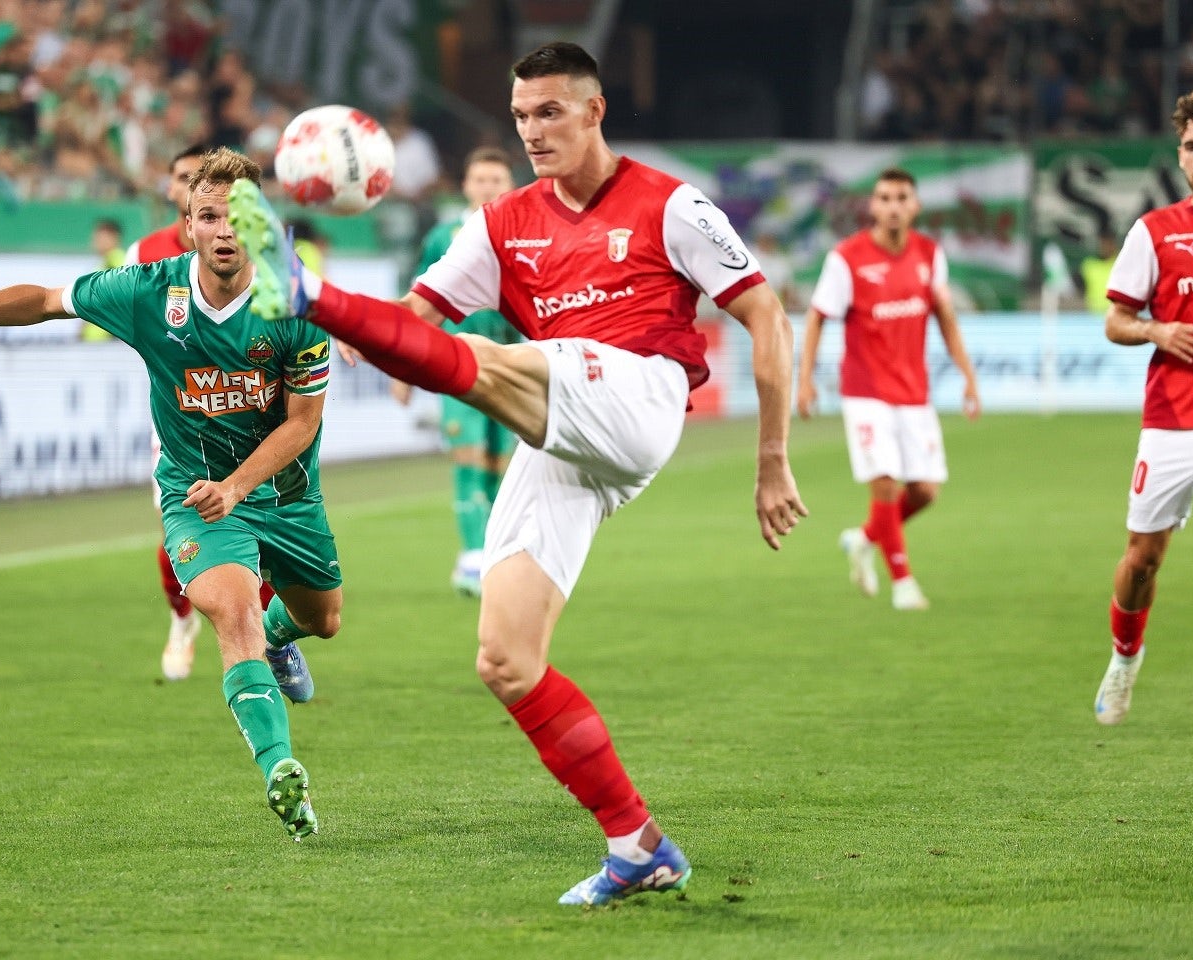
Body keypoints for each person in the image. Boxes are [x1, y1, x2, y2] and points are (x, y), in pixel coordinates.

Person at [228, 40, 807, 905]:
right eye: (521, 117)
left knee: (501, 358)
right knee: (505, 657)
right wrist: (339, 334)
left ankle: (309, 288)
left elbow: (765, 315)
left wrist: (771, 459)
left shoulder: (670, 204)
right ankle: (636, 843)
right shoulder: (503, 223)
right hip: (560, 432)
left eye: (549, 113)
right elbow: (417, 319)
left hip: (639, 397)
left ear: (594, 110)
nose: (533, 132)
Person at [0, 147, 343, 841]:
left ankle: (284, 640)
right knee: (234, 611)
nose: (223, 231)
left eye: (236, 217)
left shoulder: (296, 304)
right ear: (187, 226)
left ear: (261, 225)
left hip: (285, 495)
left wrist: (242, 484)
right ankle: (281, 772)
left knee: (323, 618)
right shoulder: (149, 291)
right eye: (207, 216)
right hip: (195, 495)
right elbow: (46, 300)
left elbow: (303, 423)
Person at [797, 168, 980, 611]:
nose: (893, 205)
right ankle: (903, 582)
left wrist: (968, 376)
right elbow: (818, 316)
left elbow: (945, 317)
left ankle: (863, 539)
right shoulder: (848, 258)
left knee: (925, 491)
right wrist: (805, 378)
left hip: (914, 392)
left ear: (915, 206)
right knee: (883, 483)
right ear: (873, 206)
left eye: (901, 197)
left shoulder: (929, 254)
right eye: (884, 198)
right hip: (865, 391)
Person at [128, 142, 276, 681]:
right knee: (179, 527)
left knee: (263, 534)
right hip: (179, 419)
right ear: (176, 193)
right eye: (186, 179)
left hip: (252, 416)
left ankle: (261, 632)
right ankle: (182, 619)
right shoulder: (142, 254)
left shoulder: (264, 252)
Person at [1094, 88, 1193, 725]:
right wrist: (1158, 331)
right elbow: (1116, 321)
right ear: (1179, 155)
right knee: (1142, 559)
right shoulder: (1156, 231)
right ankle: (1124, 659)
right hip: (1171, 419)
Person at [373, 146, 523, 598]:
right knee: (469, 458)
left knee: (501, 465)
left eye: (496, 180)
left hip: (512, 365)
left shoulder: (522, 235)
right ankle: (472, 559)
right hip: (458, 361)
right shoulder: (445, 236)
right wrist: (401, 370)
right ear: (465, 185)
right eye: (480, 180)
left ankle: (494, 555)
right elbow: (418, 302)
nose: (488, 188)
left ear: (510, 187)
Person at [81, 217, 123, 342]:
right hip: (94, 338)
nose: (96, 241)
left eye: (101, 238)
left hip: (106, 339)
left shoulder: (117, 260)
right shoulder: (102, 263)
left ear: (114, 237)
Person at [1079, 230, 1117, 315]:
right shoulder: (1088, 265)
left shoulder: (1121, 264)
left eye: (1109, 244)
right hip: (1092, 316)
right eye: (1103, 244)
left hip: (1115, 316)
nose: (1106, 247)